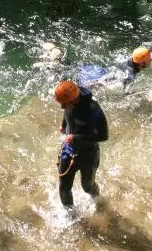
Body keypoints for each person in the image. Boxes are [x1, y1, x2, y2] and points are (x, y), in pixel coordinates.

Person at [54, 80, 108, 209]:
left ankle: (98, 202)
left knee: (87, 187)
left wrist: (76, 138)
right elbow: (67, 112)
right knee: (64, 187)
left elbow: (104, 136)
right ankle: (70, 214)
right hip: (68, 151)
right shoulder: (70, 102)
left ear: (75, 100)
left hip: (89, 154)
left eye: (64, 104)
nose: (62, 107)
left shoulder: (94, 110)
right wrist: (64, 125)